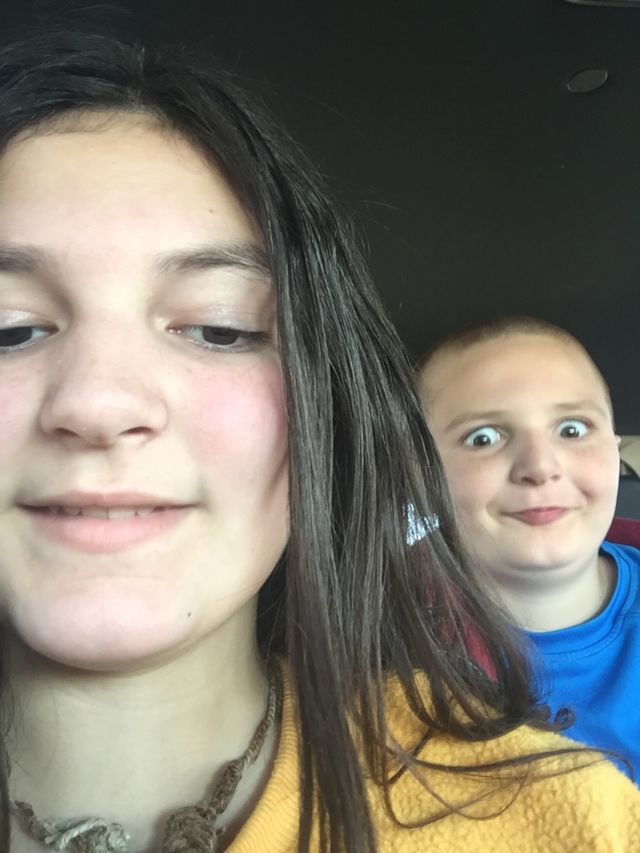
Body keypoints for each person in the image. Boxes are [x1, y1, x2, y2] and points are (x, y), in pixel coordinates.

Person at [0, 32, 638, 853]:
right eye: (10, 329)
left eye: (220, 328)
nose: (99, 403)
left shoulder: (575, 823)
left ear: (324, 409)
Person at [417, 315, 640, 786]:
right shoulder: (387, 644)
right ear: (419, 475)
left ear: (613, 449)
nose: (540, 466)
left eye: (572, 429)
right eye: (483, 438)